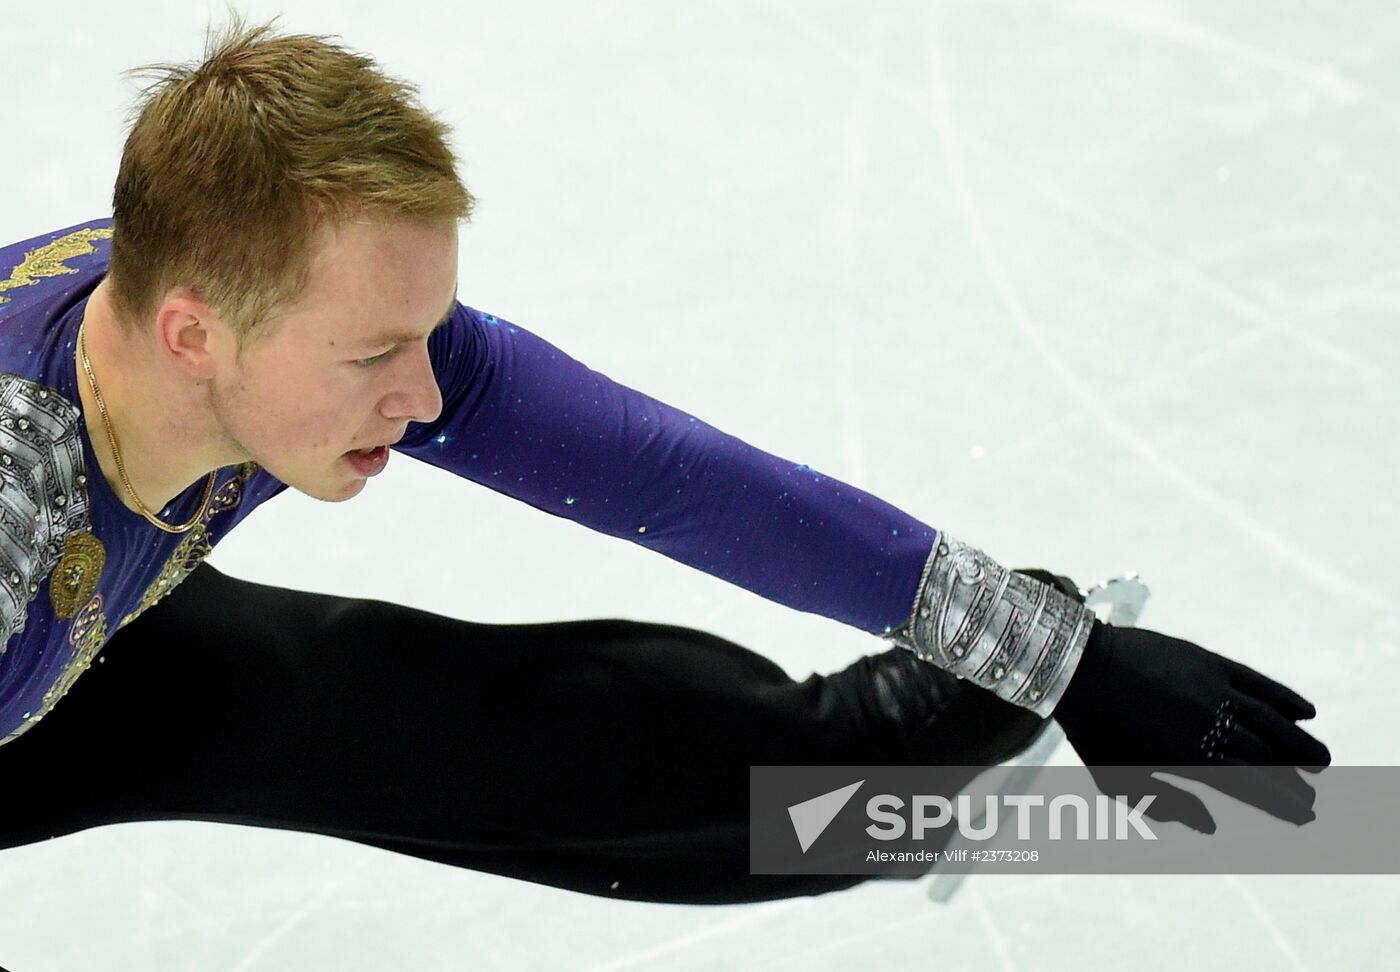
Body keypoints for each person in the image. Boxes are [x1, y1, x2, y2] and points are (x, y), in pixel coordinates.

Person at [0, 17, 1329, 905]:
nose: (424, 390)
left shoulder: (210, 303)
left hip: (103, 620)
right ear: (195, 335)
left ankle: (871, 765)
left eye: (424, 334)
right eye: (372, 357)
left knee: (419, 717)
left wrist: (1059, 657)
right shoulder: (18, 506)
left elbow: (669, 481)